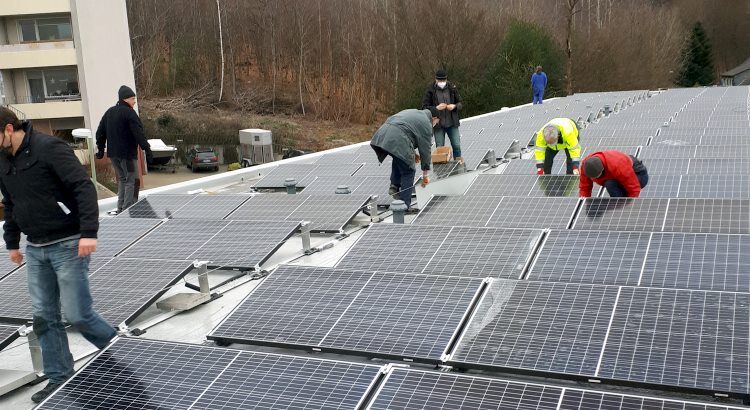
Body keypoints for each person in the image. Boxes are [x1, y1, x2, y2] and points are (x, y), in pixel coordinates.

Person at [0, 108, 116, 403]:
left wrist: (89, 232)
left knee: (78, 314)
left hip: (68, 242)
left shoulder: (49, 148)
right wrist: (12, 242)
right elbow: (11, 203)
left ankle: (123, 353)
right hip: (36, 248)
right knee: (44, 318)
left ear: (9, 129)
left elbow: (83, 187)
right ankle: (60, 378)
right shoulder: (2, 161)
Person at [95, 85, 152, 215]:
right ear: (125, 99)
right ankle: (127, 211)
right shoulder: (129, 113)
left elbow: (100, 132)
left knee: (122, 180)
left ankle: (120, 208)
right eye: (133, 99)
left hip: (114, 155)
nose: (134, 101)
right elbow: (138, 133)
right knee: (131, 181)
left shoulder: (109, 112)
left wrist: (100, 148)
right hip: (127, 156)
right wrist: (147, 149)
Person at [370, 108, 438, 211]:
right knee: (409, 170)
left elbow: (406, 130)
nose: (436, 124)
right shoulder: (426, 123)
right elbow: (425, 151)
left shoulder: (414, 113)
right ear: (434, 118)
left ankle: (394, 186)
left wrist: (413, 153)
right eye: (437, 122)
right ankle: (405, 205)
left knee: (399, 157)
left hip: (384, 133)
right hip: (398, 137)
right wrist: (425, 175)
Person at [422, 69, 463, 163]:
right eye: (440, 81)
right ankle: (441, 171)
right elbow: (424, 108)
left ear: (446, 79)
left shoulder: (452, 88)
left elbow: (460, 103)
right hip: (438, 125)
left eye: (443, 80)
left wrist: (455, 106)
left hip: (452, 123)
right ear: (436, 79)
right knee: (440, 148)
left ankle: (458, 165)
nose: (442, 82)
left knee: (456, 145)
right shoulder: (430, 90)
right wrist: (436, 108)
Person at [579, 150, 649, 198]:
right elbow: (584, 187)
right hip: (618, 177)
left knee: (610, 184)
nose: (594, 179)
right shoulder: (586, 166)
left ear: (603, 169)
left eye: (596, 176)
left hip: (638, 175)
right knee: (610, 183)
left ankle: (620, 206)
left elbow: (634, 189)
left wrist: (628, 210)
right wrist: (582, 202)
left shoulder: (618, 166)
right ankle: (618, 204)